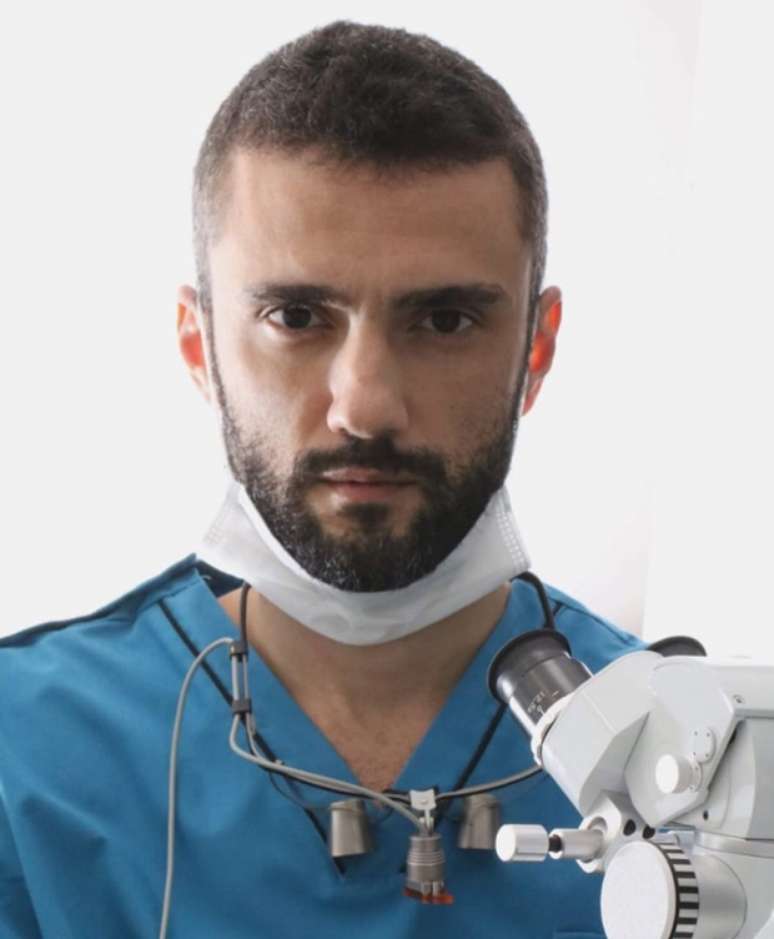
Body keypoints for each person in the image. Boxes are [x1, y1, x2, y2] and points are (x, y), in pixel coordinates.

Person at [0, 21, 643, 938]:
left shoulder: (678, 761)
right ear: (200, 346)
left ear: (535, 350)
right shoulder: (23, 751)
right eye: (297, 316)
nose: (365, 406)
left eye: (445, 320)